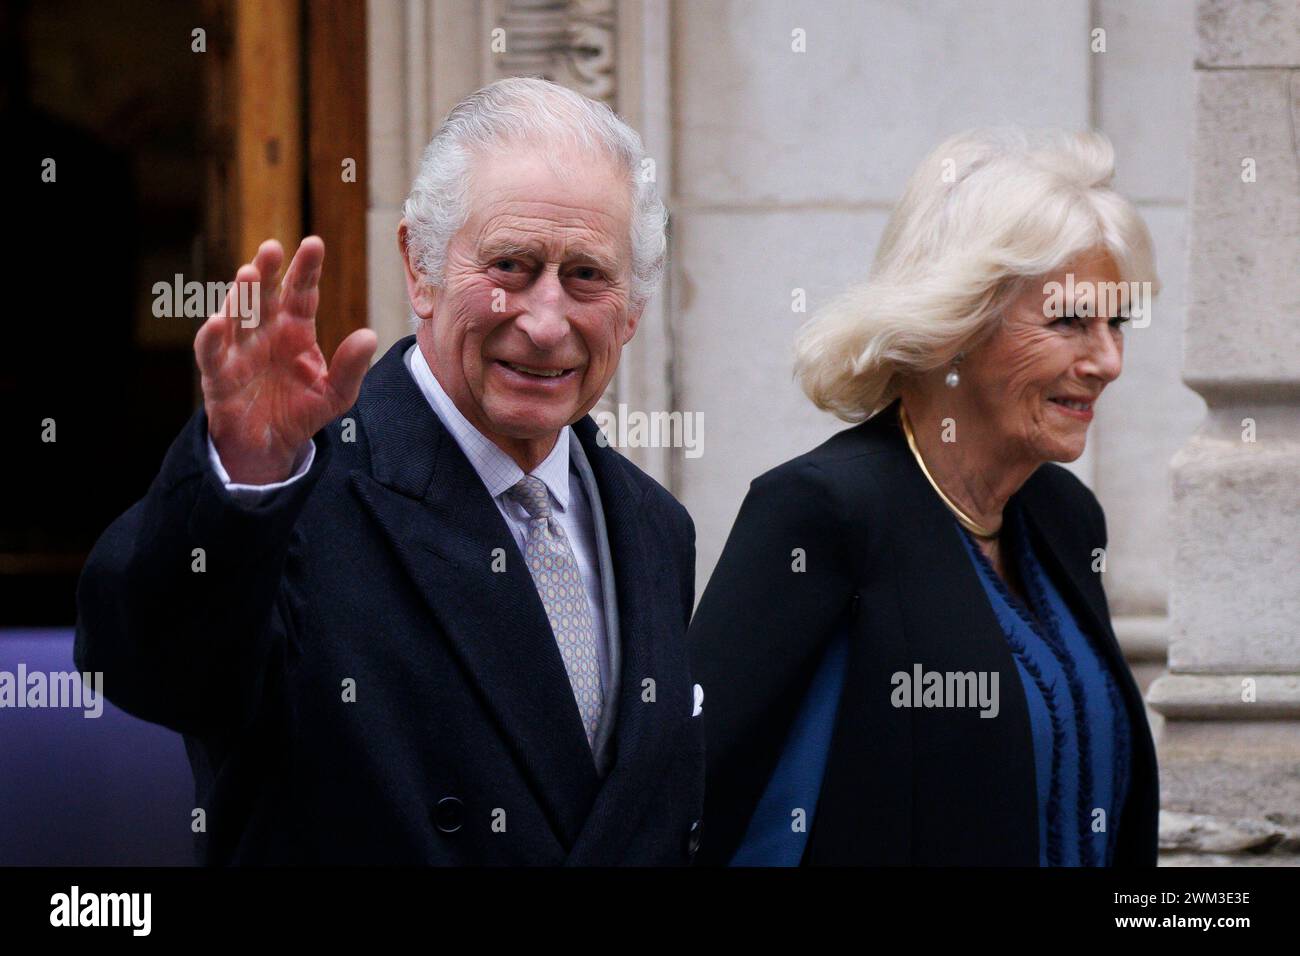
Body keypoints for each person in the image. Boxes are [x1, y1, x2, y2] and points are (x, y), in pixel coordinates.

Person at [75, 77, 703, 865]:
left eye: (586, 276)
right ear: (421, 267)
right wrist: (241, 478)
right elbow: (148, 667)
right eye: (509, 265)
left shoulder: (653, 528)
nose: (546, 324)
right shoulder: (298, 497)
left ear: (633, 306)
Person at [689, 128, 1160, 866]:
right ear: (957, 322)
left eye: (1117, 322)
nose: (1108, 360)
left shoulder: (1067, 516)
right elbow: (697, 798)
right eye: (1070, 319)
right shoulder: (824, 512)